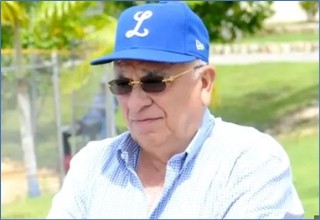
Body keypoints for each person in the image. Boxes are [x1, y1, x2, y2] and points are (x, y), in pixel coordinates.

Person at [48, 2, 304, 219]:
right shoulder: (92, 165)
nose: (136, 103)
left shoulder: (248, 162)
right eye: (123, 84)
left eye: (154, 82)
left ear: (204, 84)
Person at [61, 77, 116, 172]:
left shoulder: (112, 99)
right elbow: (91, 112)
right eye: (102, 86)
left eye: (105, 86)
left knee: (90, 144)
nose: (103, 88)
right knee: (64, 133)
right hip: (86, 122)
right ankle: (68, 159)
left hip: (96, 124)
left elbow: (111, 111)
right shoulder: (97, 96)